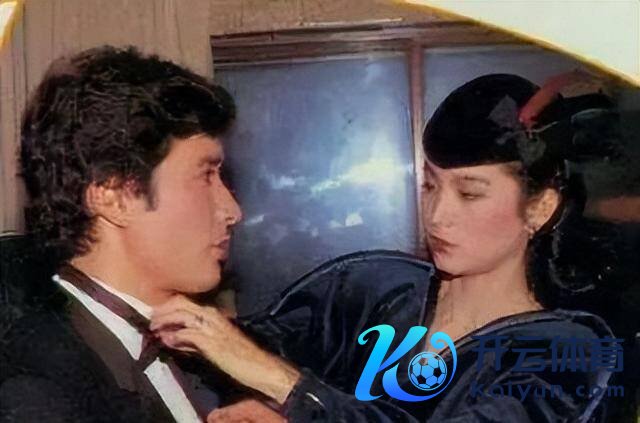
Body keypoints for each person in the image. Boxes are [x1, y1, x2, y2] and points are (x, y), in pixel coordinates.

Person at [149, 73, 624, 422]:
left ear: (540, 207)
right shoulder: (376, 286)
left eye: (469, 193)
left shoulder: (562, 353)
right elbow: (248, 345)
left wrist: (285, 387)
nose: (437, 215)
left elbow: (262, 365)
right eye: (430, 185)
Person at [0, 46, 285, 422]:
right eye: (206, 175)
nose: (233, 211)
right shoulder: (34, 385)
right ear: (115, 197)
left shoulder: (210, 354)